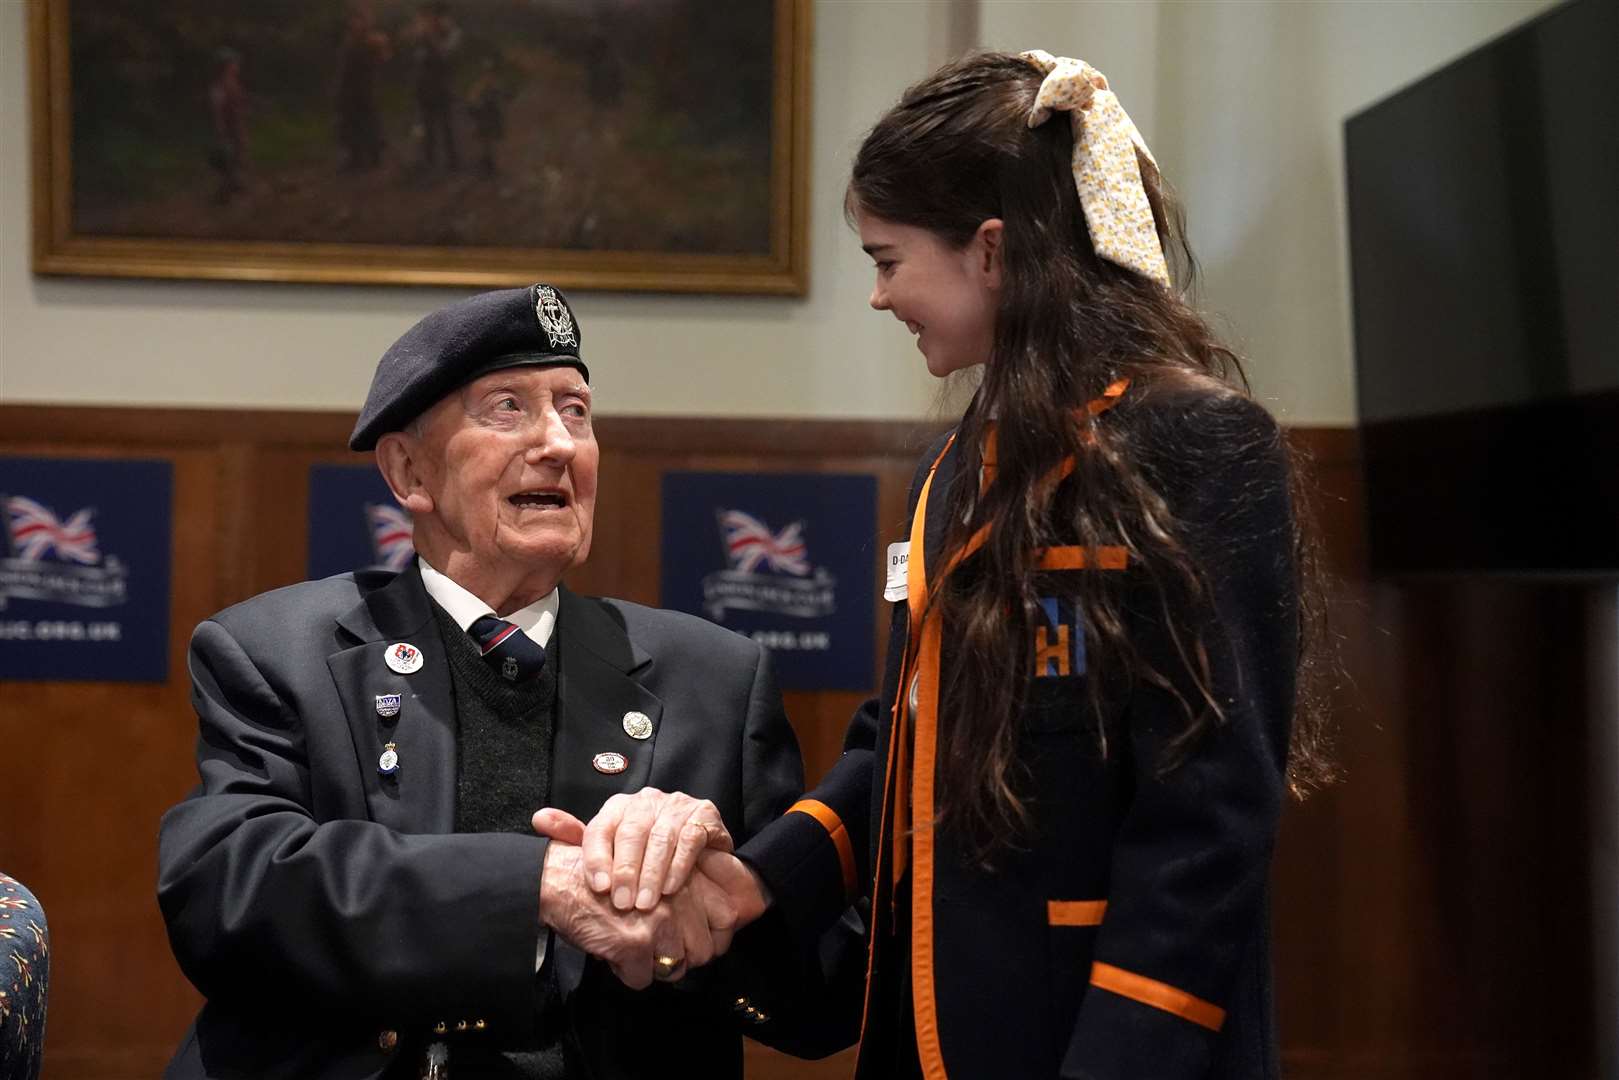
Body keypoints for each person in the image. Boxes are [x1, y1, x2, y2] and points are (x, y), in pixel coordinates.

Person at [546, 51, 1334, 1079]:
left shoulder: (1201, 441)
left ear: (992, 252)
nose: (878, 297)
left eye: (885, 259)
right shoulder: (958, 462)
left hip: (1101, 1041)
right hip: (933, 1029)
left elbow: (1208, 820)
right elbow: (905, 738)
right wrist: (754, 881)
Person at [157, 284, 861, 1078]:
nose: (558, 443)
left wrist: (716, 895)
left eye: (576, 410)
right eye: (507, 408)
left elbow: (821, 993)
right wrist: (539, 884)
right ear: (408, 470)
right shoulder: (275, 650)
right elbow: (228, 892)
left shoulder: (714, 680)